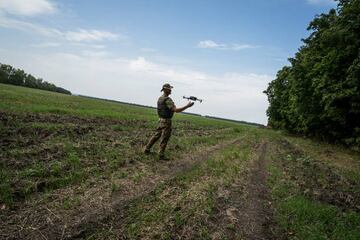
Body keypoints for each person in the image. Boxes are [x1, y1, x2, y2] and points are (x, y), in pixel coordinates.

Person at [144, 83, 194, 160]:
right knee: (165, 138)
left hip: (160, 120)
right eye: (169, 88)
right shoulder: (167, 99)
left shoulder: (160, 98)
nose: (170, 90)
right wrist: (187, 106)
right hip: (166, 122)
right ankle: (161, 155)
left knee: (156, 136)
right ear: (165, 89)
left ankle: (146, 149)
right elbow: (176, 110)